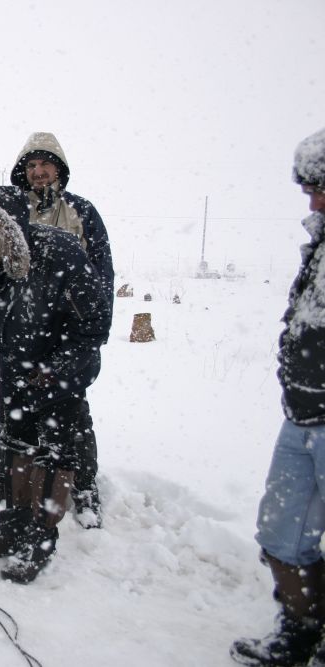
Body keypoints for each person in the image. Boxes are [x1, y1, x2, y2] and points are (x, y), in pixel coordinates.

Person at [0, 188, 109, 583]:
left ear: (10, 230)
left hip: (62, 366)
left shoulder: (58, 252)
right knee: (16, 444)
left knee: (54, 452)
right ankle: (13, 525)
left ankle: (41, 540)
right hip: (15, 362)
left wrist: (55, 372)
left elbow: (94, 324)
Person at [0, 132, 114, 529]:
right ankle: (6, 476)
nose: (38, 171)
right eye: (31, 165)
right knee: (10, 404)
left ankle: (84, 487)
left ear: (60, 169)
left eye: (45, 164)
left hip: (67, 331)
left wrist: (95, 330)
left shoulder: (80, 211)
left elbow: (102, 273)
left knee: (72, 411)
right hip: (17, 329)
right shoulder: (10, 212)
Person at [231, 127, 325, 667]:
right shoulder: (319, 245)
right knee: (282, 530)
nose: (312, 200)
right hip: (302, 413)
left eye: (321, 187)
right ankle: (298, 631)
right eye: (309, 187)